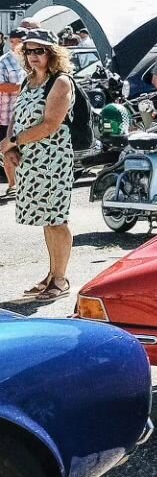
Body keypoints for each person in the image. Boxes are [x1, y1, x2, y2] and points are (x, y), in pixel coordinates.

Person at [0, 31, 77, 305]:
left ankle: (61, 278)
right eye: (29, 51)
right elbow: (16, 117)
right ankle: (51, 275)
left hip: (53, 159)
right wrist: (10, 148)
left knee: (56, 219)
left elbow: (50, 125)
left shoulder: (60, 82)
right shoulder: (28, 80)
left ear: (52, 53)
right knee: (46, 219)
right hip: (31, 160)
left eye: (39, 51)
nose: (33, 56)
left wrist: (12, 141)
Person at [0, 28, 24, 202]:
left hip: (28, 115)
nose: (16, 44)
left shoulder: (31, 60)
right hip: (7, 114)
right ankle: (12, 185)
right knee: (8, 150)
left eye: (19, 41)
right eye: (13, 41)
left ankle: (25, 184)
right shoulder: (3, 61)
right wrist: (23, 87)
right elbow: (1, 86)